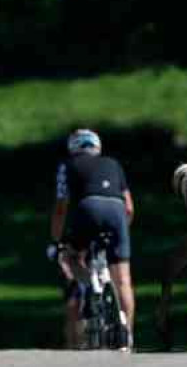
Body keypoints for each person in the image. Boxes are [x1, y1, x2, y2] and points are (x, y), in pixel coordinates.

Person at [48, 129, 136, 348]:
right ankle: (129, 335)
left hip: (87, 209)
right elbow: (129, 206)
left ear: (73, 148)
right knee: (123, 280)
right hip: (117, 213)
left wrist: (57, 243)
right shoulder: (113, 164)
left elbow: (61, 208)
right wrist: (122, 232)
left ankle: (88, 285)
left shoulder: (66, 165)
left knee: (70, 257)